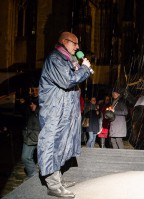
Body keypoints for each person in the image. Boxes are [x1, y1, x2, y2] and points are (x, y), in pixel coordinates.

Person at [38, 31, 92, 198]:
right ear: (64, 42)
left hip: (64, 112)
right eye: (74, 43)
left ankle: (58, 180)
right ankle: (53, 186)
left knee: (61, 145)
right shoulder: (55, 59)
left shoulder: (67, 60)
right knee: (52, 145)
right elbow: (68, 80)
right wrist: (84, 69)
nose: (77, 47)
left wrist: (79, 67)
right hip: (54, 112)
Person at [21, 98, 40, 179]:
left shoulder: (42, 112)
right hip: (29, 138)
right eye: (30, 103)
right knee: (25, 157)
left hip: (40, 138)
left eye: (33, 104)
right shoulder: (29, 112)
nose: (31, 105)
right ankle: (32, 176)